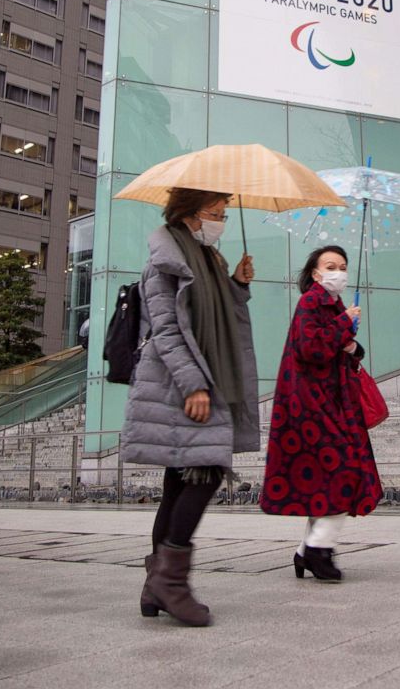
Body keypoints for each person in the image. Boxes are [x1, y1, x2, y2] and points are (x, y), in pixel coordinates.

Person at [121, 188, 259, 626]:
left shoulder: (209, 258)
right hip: (180, 384)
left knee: (180, 483)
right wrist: (193, 385)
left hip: (206, 377)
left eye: (223, 213)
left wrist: (237, 284)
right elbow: (165, 330)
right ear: (187, 213)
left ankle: (155, 584)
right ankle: (170, 583)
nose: (220, 220)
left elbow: (218, 315)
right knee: (206, 471)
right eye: (214, 213)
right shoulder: (165, 262)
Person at [260, 245, 382, 582]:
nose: (338, 272)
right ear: (315, 273)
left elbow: (337, 351)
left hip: (332, 402)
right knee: (344, 473)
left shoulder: (333, 305)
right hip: (312, 405)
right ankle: (317, 550)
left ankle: (308, 551)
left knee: (329, 481)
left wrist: (353, 344)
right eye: (330, 266)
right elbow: (310, 348)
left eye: (342, 266)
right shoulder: (311, 301)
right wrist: (344, 324)